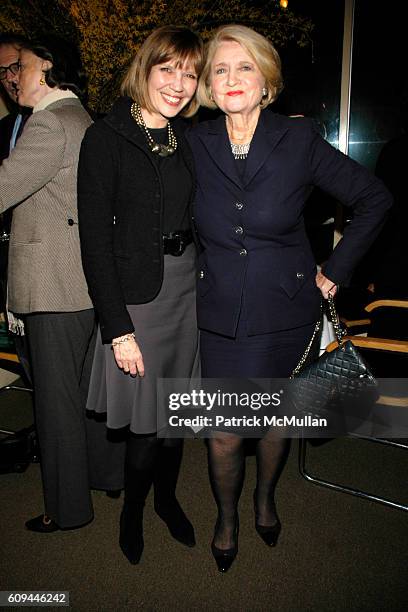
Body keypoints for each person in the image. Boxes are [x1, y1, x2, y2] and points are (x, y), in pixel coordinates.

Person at [187, 24, 392, 572]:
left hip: (287, 312)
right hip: (219, 318)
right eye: (221, 69)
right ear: (208, 82)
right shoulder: (194, 143)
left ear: (265, 80)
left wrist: (336, 270)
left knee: (278, 421)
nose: (232, 79)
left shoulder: (296, 140)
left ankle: (265, 497)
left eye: (244, 67)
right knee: (226, 434)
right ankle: (227, 516)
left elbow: (375, 198)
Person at [78, 25, 203, 565]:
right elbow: (94, 242)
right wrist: (118, 327)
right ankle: (132, 511)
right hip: (140, 301)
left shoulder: (189, 139)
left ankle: (168, 499)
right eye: (168, 69)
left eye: (191, 73)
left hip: (188, 293)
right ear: (145, 69)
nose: (179, 84)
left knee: (176, 414)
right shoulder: (105, 138)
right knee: (146, 423)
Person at [0, 34, 123, 532]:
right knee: (84, 394)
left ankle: (68, 510)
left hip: (52, 285)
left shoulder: (49, 121)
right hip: (81, 283)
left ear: (47, 65)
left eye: (21, 66)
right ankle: (103, 475)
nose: (14, 77)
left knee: (56, 405)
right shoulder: (82, 117)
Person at [0, 32, 32, 380]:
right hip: (8, 273)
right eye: (2, 72)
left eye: (16, 67)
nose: (10, 77)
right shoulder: (5, 129)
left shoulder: (57, 123)